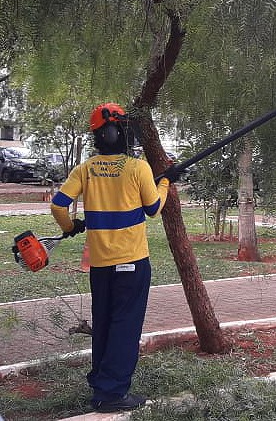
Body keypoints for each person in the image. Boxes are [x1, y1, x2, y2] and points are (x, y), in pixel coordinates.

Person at [50, 103, 182, 413]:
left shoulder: (85, 169)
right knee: (125, 326)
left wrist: (71, 226)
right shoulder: (137, 168)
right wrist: (165, 181)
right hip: (132, 263)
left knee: (106, 323)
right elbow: (153, 209)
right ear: (122, 133)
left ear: (98, 137)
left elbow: (58, 206)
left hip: (100, 265)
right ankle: (111, 394)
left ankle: (101, 384)